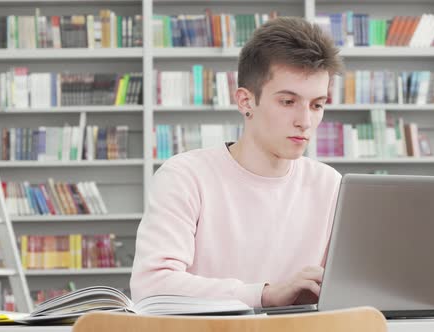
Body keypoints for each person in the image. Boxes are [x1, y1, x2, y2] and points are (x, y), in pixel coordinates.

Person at [130, 16, 343, 308]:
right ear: (245, 102)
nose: (305, 121)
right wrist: (264, 294)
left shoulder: (330, 184)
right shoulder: (185, 176)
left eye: (317, 105)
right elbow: (151, 285)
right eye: (287, 102)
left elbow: (349, 287)